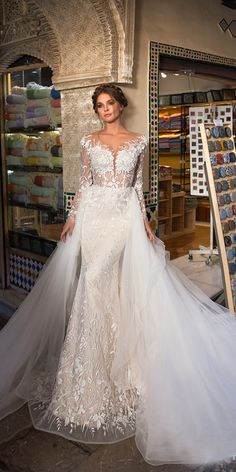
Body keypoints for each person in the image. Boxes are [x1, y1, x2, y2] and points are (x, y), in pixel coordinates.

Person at [1, 83, 236, 467]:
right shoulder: (89, 140)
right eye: (100, 105)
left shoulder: (139, 141)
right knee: (94, 286)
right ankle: (86, 382)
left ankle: (123, 372)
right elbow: (84, 185)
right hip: (94, 220)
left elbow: (137, 190)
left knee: (109, 287)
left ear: (121, 105)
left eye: (110, 103)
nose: (105, 109)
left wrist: (144, 223)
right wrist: (73, 218)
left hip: (123, 220)